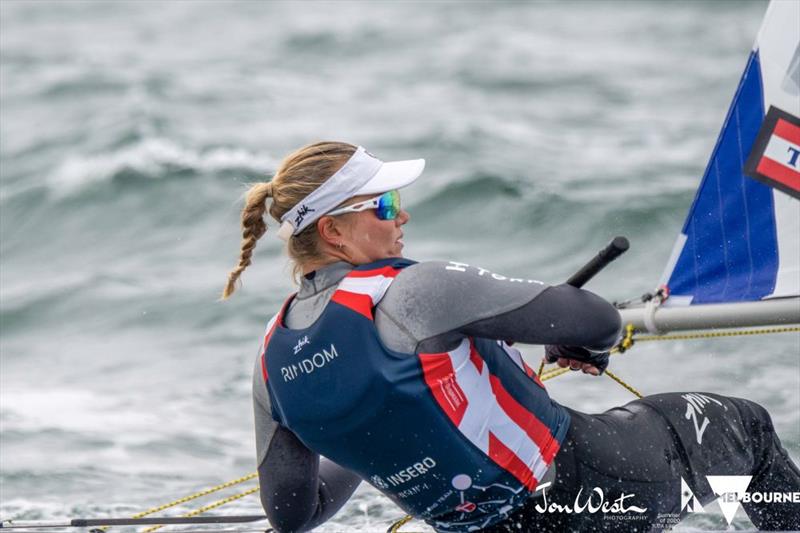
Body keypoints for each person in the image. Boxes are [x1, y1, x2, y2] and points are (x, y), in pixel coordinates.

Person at [223, 141, 800, 532]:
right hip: (591, 488)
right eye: (387, 205)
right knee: (746, 429)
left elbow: (294, 515)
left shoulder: (271, 364)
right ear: (334, 231)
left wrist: (373, 429)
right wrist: (571, 334)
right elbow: (597, 321)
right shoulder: (417, 291)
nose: (402, 219)